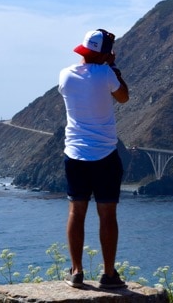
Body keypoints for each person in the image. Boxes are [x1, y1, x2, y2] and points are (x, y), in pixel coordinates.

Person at [58, 29, 129, 289]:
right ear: (106, 53)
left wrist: (101, 60)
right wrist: (113, 66)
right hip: (105, 155)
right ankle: (109, 274)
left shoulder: (65, 75)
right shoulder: (106, 74)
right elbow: (123, 97)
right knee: (107, 215)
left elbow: (84, 74)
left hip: (75, 154)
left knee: (76, 212)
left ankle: (76, 271)